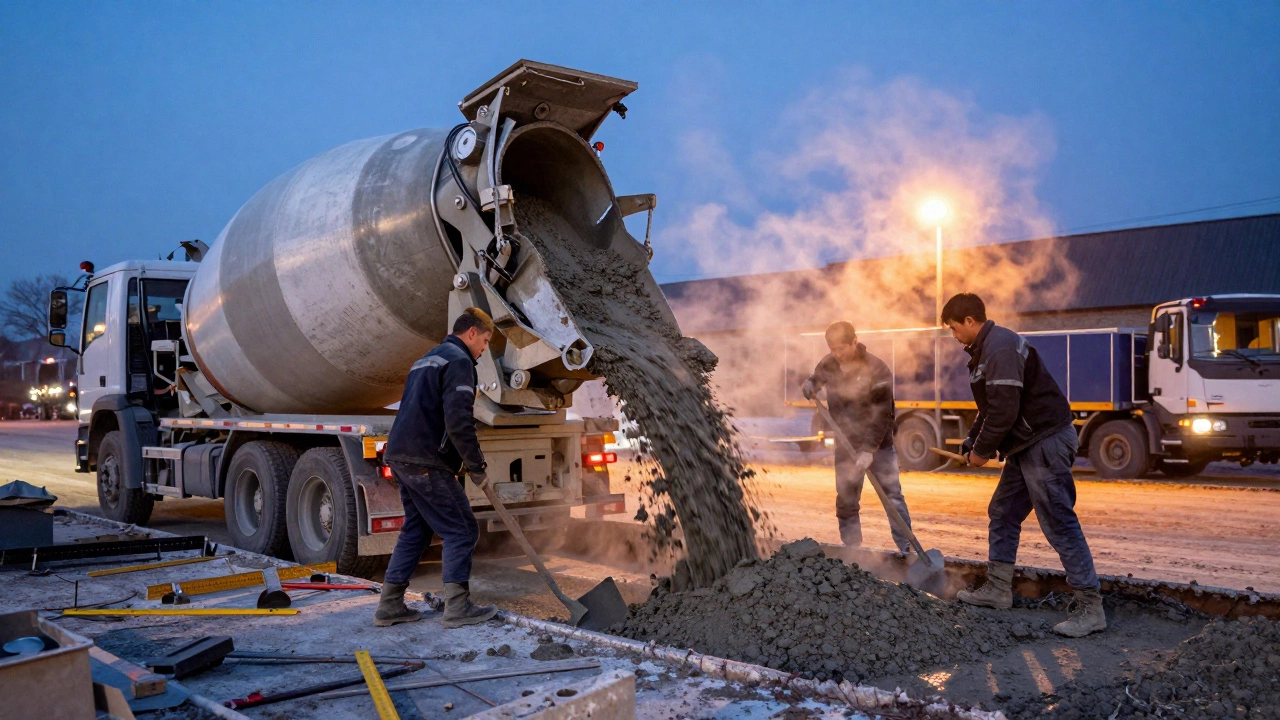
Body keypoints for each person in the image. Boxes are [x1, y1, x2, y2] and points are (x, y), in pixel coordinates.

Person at [941, 293, 1105, 637]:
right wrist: (972, 442)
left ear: (970, 321)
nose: (953, 336)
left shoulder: (999, 347)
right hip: (1027, 443)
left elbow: (1004, 411)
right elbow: (991, 409)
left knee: (1058, 520)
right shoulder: (988, 349)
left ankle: (1091, 608)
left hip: (1045, 440)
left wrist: (982, 451)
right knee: (1002, 511)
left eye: (954, 328)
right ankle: (999, 589)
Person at [373, 307, 499, 629]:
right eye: (484, 341)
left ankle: (389, 606)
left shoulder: (427, 358)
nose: (484, 350)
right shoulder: (459, 362)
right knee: (463, 529)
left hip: (402, 455)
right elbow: (458, 422)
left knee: (416, 530)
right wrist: (476, 465)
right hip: (426, 460)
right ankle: (458, 608)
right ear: (471, 333)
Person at [801, 321, 914, 553]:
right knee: (846, 498)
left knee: (892, 496)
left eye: (842, 348)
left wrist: (868, 449)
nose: (837, 354)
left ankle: (907, 550)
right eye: (833, 349)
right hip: (845, 443)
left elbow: (884, 413)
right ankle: (853, 549)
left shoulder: (877, 369)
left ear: (855, 341)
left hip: (879, 446)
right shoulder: (829, 363)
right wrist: (810, 383)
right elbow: (817, 378)